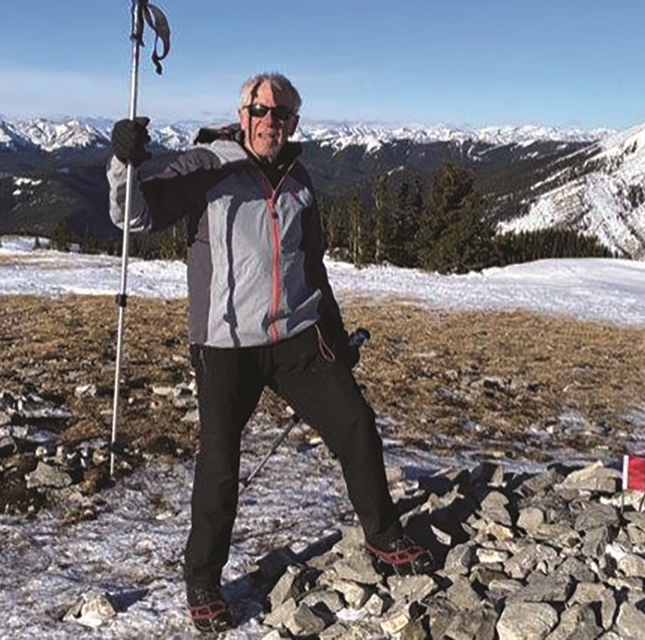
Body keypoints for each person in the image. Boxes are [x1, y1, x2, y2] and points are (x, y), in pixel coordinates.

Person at [108, 72, 433, 634]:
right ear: (243, 113)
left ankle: (383, 535)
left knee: (356, 423)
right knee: (219, 464)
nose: (270, 124)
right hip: (226, 343)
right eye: (261, 112)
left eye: (282, 116)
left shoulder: (299, 180)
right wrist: (124, 164)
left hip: (298, 340)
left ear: (294, 123)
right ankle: (204, 581)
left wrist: (333, 334)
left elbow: (312, 265)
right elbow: (133, 216)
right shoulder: (208, 166)